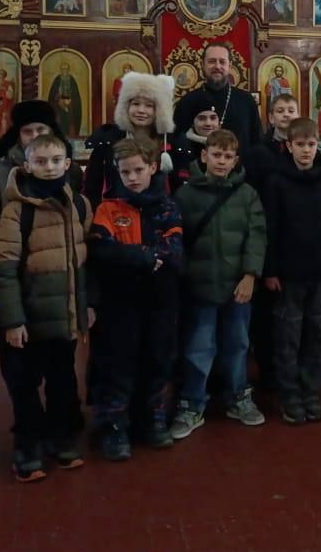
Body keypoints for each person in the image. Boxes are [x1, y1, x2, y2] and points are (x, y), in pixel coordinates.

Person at [0, 133, 93, 482]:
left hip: (64, 315)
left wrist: (86, 306)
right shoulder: (16, 210)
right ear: (27, 165)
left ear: (68, 164)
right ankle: (28, 445)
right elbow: (3, 269)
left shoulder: (79, 205)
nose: (49, 167)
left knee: (62, 381)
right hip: (28, 319)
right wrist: (13, 320)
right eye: (41, 161)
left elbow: (84, 262)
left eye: (56, 161)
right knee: (24, 385)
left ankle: (60, 438)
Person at [87, 137, 184, 460]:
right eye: (125, 172)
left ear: (153, 168)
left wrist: (134, 255)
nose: (131, 177)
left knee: (158, 359)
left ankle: (153, 419)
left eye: (138, 170)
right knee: (117, 363)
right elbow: (101, 249)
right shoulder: (108, 208)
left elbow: (173, 251)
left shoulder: (168, 207)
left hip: (159, 300)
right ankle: (114, 425)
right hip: (119, 302)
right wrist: (143, 257)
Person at [171, 129, 268, 440]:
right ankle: (192, 404)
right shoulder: (186, 194)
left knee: (237, 344)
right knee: (199, 346)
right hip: (199, 286)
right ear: (204, 156)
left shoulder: (247, 195)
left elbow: (256, 237)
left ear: (235, 160)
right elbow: (176, 238)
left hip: (238, 287)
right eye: (216, 155)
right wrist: (184, 273)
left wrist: (250, 275)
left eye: (228, 156)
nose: (221, 161)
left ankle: (238, 397)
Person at [262, 118, 321, 423]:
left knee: (317, 333)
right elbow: (269, 229)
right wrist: (270, 270)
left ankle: (310, 390)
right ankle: (289, 393)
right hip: (288, 275)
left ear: (318, 146)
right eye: (300, 144)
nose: (306, 150)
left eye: (311, 144)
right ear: (289, 146)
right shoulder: (276, 182)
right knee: (288, 335)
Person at [240, 92, 300, 390]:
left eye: (291, 110)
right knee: (267, 313)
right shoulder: (257, 154)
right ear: (271, 117)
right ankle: (269, 372)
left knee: (295, 312)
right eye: (281, 110)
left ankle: (293, 370)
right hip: (266, 236)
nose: (286, 114)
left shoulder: (304, 149)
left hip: (297, 241)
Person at [84, 72, 176, 207]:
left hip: (161, 213)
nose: (141, 110)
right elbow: (92, 185)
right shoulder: (108, 140)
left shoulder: (172, 142)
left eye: (149, 106)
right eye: (136, 104)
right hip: (115, 212)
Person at [0, 100, 83, 203]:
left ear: (51, 132)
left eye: (40, 130)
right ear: (18, 136)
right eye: (27, 132)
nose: (35, 136)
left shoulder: (72, 171)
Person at [173, 42, 262, 153]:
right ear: (202, 65)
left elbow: (257, 143)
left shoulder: (246, 100)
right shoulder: (187, 101)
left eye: (222, 62)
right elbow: (178, 143)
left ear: (229, 66)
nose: (217, 66)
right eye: (212, 61)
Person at [46, 62, 83, 139]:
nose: (64, 71)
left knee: (70, 121)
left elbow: (75, 95)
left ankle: (70, 136)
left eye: (66, 69)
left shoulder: (72, 80)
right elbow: (52, 94)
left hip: (70, 104)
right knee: (59, 120)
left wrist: (71, 101)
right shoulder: (57, 79)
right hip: (58, 104)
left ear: (68, 70)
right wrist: (58, 98)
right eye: (63, 69)